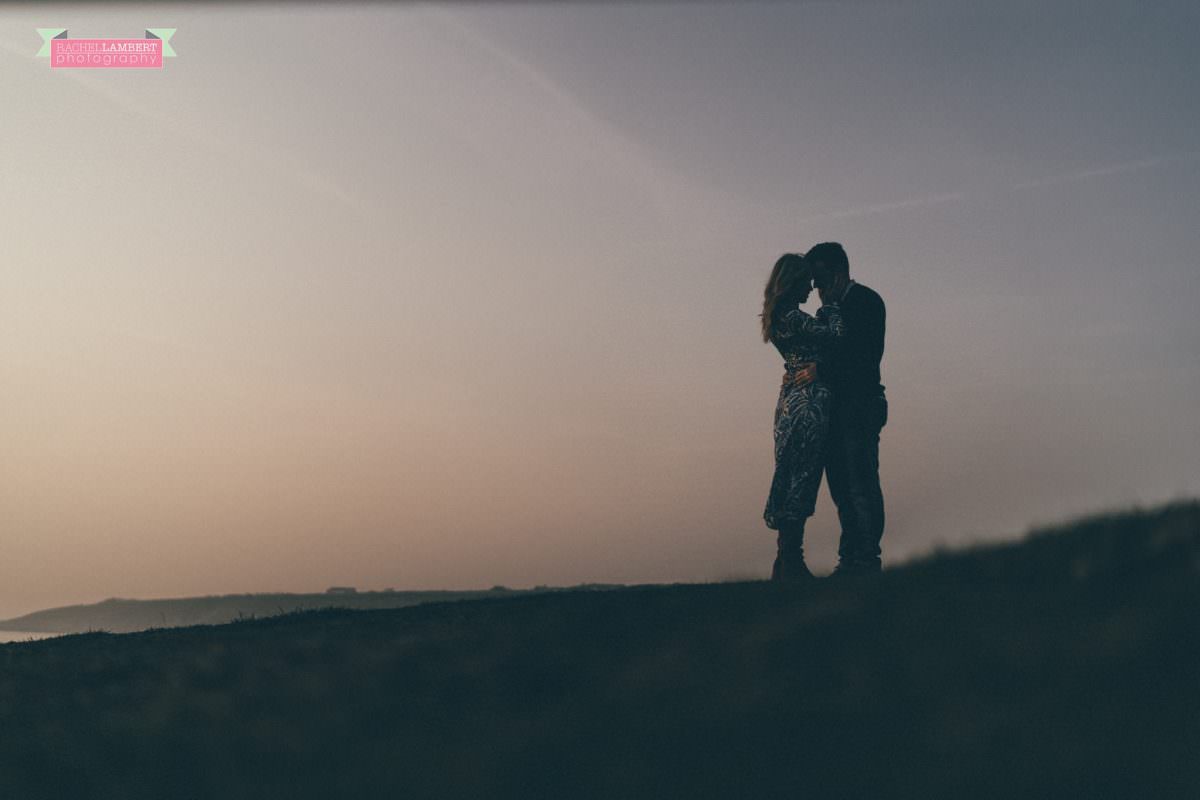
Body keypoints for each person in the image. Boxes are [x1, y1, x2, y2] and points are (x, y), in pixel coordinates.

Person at [759, 253, 846, 584]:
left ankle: (786, 561)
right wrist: (832, 306)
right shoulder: (795, 317)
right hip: (808, 404)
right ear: (794, 282)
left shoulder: (777, 317)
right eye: (807, 281)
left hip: (789, 402)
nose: (812, 287)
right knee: (802, 477)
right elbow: (835, 336)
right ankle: (791, 562)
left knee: (790, 473)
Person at [804, 242, 888, 578]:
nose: (817, 290)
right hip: (836, 409)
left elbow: (863, 358)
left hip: (860, 404)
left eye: (820, 281)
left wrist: (819, 371)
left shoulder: (866, 302)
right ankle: (851, 556)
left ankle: (866, 558)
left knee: (860, 482)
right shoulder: (830, 312)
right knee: (840, 485)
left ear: (839, 273)